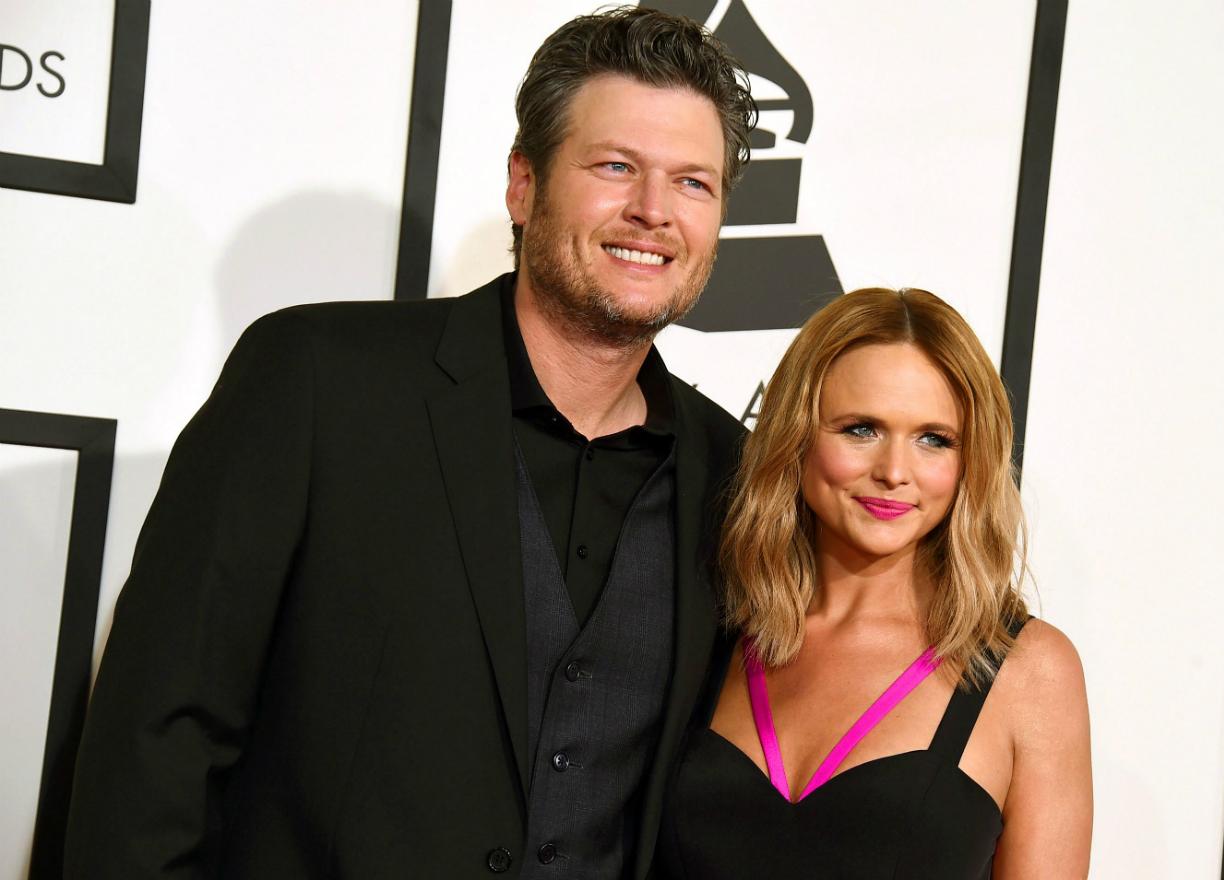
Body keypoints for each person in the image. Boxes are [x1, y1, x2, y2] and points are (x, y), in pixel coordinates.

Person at [64, 8, 755, 878]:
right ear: (523, 183)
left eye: (693, 183)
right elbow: (157, 732)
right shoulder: (317, 382)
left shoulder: (733, 475)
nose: (653, 211)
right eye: (615, 167)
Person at [655, 288, 1093, 878]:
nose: (892, 471)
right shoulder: (716, 626)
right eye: (860, 429)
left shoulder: (1025, 670)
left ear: (970, 463)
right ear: (796, 435)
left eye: (933, 439)